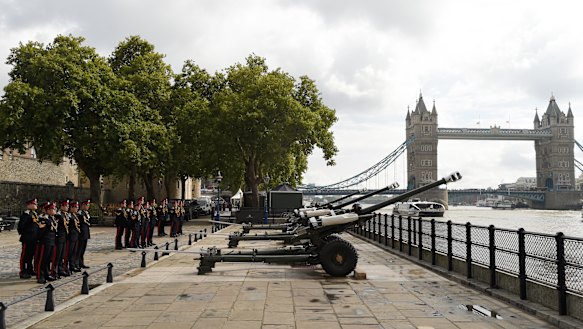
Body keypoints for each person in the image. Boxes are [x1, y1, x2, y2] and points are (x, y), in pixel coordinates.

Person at [18, 198, 43, 279]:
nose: (36, 205)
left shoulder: (34, 214)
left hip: (34, 239)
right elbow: (21, 227)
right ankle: (23, 271)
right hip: (27, 238)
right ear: (29, 205)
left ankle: (29, 269)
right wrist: (26, 235)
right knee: (25, 255)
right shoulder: (26, 215)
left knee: (30, 255)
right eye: (34, 204)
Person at [36, 202, 57, 283]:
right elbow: (40, 231)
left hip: (52, 241)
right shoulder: (44, 220)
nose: (55, 210)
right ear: (48, 210)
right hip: (45, 241)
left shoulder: (52, 219)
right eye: (53, 209)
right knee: (42, 259)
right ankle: (40, 275)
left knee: (48, 259)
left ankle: (46, 273)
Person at [51, 200, 70, 278]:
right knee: (57, 255)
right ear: (62, 206)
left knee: (62, 255)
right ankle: (55, 271)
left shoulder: (66, 215)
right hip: (59, 237)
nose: (67, 207)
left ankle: (61, 269)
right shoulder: (58, 215)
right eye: (66, 206)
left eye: (68, 206)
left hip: (65, 237)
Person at [75, 199, 91, 269]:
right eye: (87, 205)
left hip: (85, 233)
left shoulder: (86, 213)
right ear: (83, 205)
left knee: (83, 250)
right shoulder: (79, 214)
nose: (88, 207)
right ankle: (77, 263)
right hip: (81, 234)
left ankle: (81, 262)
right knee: (79, 250)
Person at [67, 201, 81, 273]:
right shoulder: (69, 216)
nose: (77, 209)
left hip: (76, 236)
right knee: (69, 251)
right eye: (75, 207)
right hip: (71, 236)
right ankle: (68, 266)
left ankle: (72, 265)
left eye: (77, 207)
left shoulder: (75, 216)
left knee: (74, 251)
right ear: (71, 208)